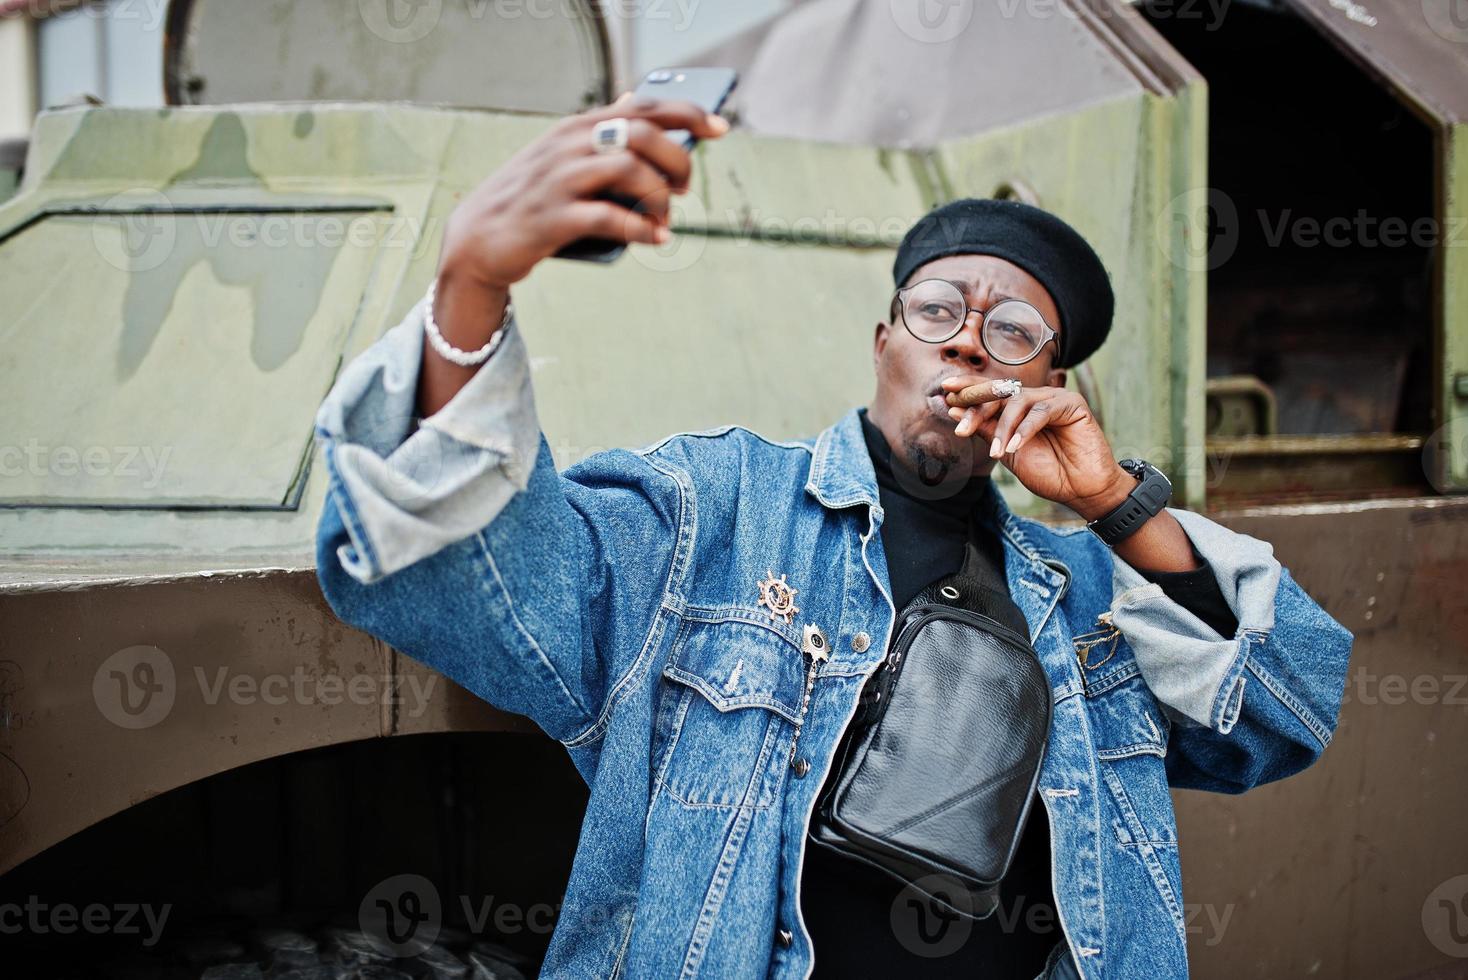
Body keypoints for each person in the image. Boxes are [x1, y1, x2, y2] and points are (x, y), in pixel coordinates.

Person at [313, 95, 1353, 979]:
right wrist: (470, 292)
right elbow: (483, 582)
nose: (966, 336)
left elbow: (1282, 711)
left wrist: (1119, 505)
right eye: (939, 304)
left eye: (1014, 330)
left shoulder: (1088, 596)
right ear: (883, 342)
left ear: (1047, 389)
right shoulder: (713, 512)